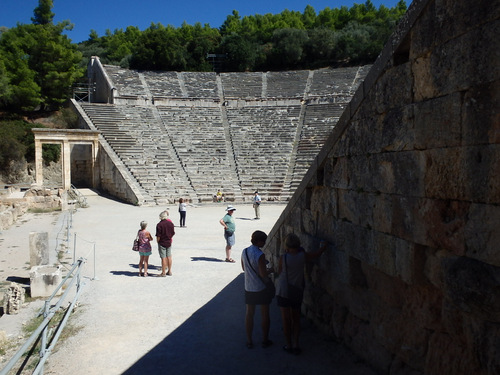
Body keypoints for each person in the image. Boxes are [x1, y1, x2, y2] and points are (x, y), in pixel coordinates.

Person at [276, 233, 327, 355]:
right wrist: (323, 247)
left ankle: (288, 345)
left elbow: (279, 272)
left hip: (283, 290)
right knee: (296, 319)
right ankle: (296, 344)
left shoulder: (283, 258)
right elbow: (316, 254)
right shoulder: (303, 256)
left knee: (286, 319)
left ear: (286, 245)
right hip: (297, 290)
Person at [241, 230, 274, 349]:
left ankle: (249, 341)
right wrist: (271, 270)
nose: (264, 243)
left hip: (249, 287)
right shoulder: (260, 255)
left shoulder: (244, 251)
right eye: (263, 241)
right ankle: (265, 340)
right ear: (258, 241)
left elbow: (244, 268)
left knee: (249, 314)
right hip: (260, 288)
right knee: (265, 314)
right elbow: (263, 274)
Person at [156, 210, 175, 276]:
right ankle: (169, 271)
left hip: (162, 242)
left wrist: (158, 241)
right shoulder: (170, 223)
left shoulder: (159, 225)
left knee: (163, 257)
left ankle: (163, 272)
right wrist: (169, 237)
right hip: (169, 241)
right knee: (169, 256)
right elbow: (173, 233)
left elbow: (158, 235)